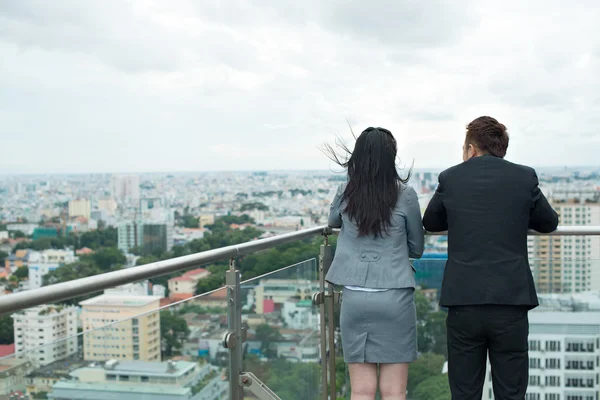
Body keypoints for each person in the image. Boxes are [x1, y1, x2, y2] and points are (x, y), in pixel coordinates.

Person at [423, 116, 559, 399]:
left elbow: (432, 223)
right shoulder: (524, 177)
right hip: (511, 300)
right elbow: (549, 223)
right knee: (511, 392)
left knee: (465, 391)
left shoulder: (451, 177)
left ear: (472, 149)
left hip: (463, 301)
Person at [325, 127, 424, 400]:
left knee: (361, 391)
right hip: (395, 296)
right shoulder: (405, 194)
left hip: (355, 296)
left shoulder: (346, 191)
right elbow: (417, 248)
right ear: (391, 157)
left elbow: (333, 221)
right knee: (394, 392)